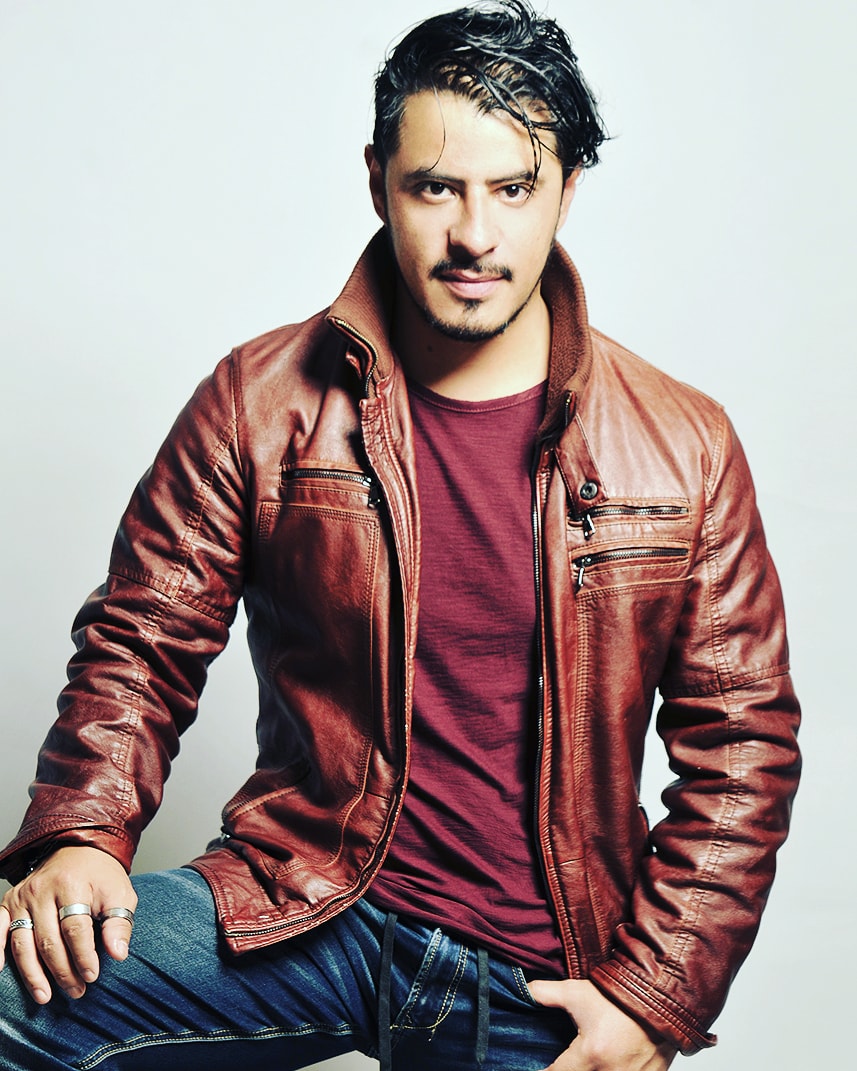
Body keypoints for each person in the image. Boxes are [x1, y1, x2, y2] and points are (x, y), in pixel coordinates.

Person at [0, 2, 800, 1069]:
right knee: (12, 982)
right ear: (377, 180)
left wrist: (655, 996)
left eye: (512, 189)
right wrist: (80, 834)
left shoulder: (682, 444)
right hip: (305, 905)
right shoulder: (261, 401)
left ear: (566, 190)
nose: (474, 234)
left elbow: (741, 748)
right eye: (435, 187)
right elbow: (143, 638)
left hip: (540, 971)